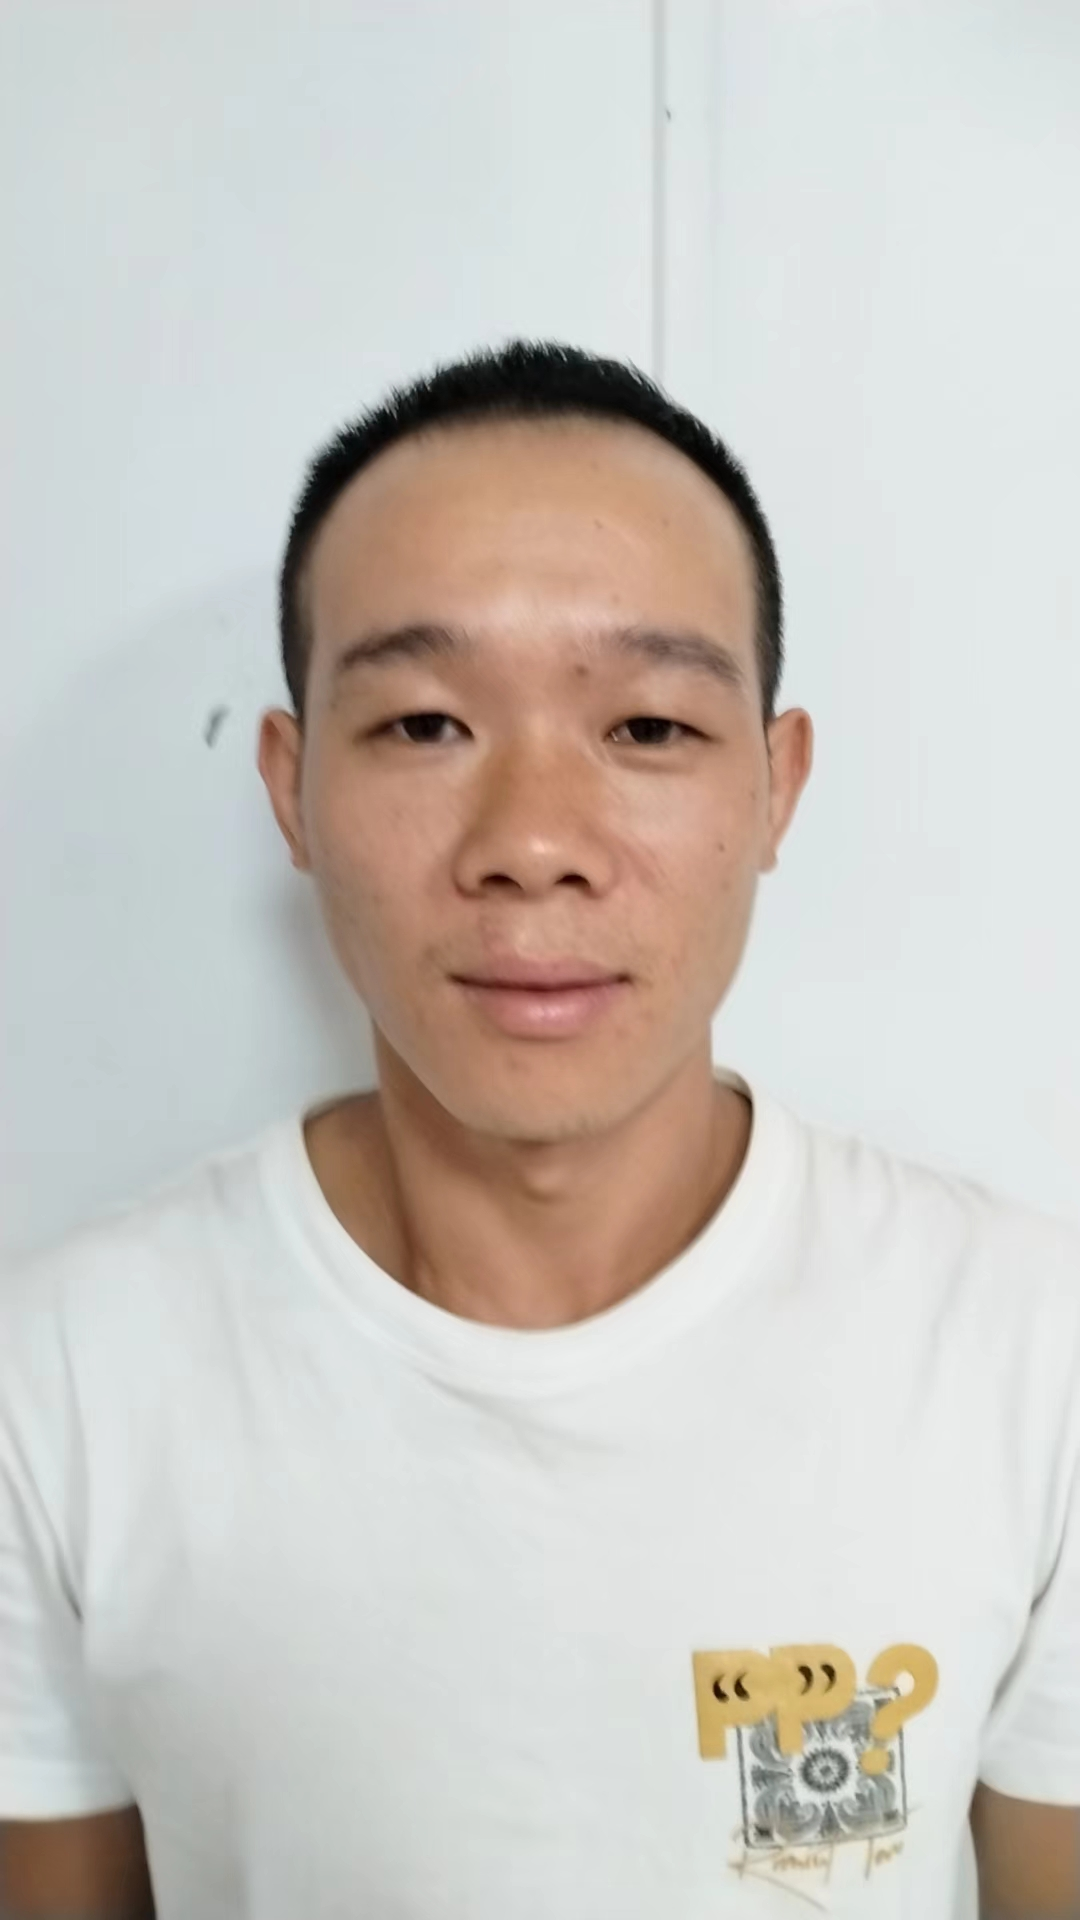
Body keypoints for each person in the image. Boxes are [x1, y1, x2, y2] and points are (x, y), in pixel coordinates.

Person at [0, 340, 1077, 1920]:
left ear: (776, 788)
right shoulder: (64, 1377)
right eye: (425, 725)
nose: (534, 844)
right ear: (291, 791)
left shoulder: (1028, 1352)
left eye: (647, 728)